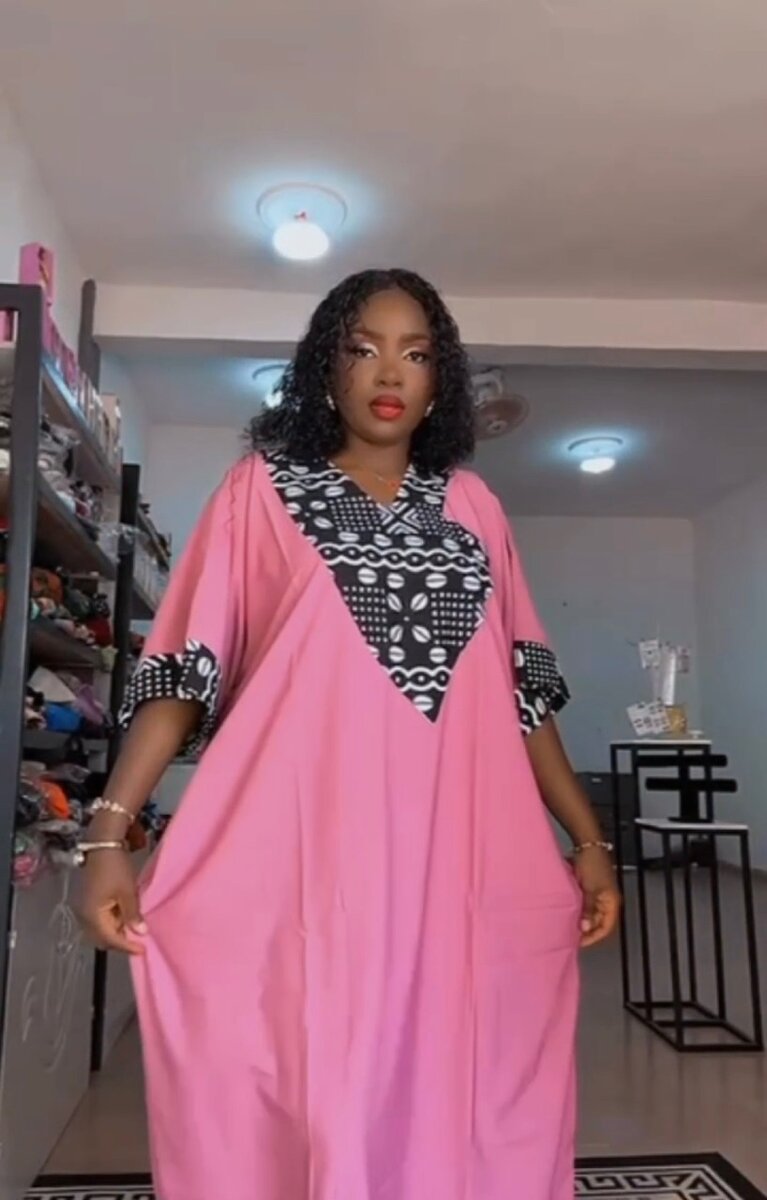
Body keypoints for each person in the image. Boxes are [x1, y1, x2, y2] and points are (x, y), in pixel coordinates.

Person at [79, 268, 620, 1200]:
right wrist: (106, 833)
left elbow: (520, 694)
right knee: (311, 1071)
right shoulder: (259, 491)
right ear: (324, 369)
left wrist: (588, 839)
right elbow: (186, 671)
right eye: (362, 348)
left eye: (417, 354)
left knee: (456, 1065)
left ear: (441, 380)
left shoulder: (475, 509)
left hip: (455, 852)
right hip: (308, 849)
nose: (390, 372)